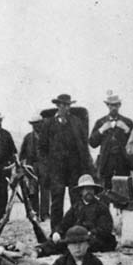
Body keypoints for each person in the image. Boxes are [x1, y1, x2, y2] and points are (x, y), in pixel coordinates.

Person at [39, 93, 95, 226]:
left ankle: (76, 230)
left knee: (76, 200)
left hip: (74, 169)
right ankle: (56, 232)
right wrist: (46, 169)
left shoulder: (77, 122)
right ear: (57, 105)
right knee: (57, 201)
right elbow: (42, 149)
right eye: (62, 105)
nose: (65, 107)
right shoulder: (48, 124)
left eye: (67, 105)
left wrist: (86, 167)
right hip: (56, 170)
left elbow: (83, 146)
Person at [50, 174, 117, 252]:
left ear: (94, 191)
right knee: (57, 241)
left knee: (78, 244)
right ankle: (40, 250)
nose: (89, 192)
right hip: (78, 238)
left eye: (91, 189)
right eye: (86, 189)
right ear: (81, 191)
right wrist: (57, 232)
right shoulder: (76, 207)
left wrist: (88, 233)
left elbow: (105, 228)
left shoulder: (101, 207)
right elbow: (65, 223)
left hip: (95, 239)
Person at [89, 93, 133, 190]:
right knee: (104, 194)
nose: (113, 107)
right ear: (107, 106)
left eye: (116, 105)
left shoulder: (128, 122)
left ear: (119, 105)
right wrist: (101, 130)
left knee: (123, 194)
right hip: (106, 164)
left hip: (122, 163)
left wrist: (127, 130)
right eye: (111, 105)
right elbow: (92, 143)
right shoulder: (100, 122)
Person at [19, 113, 47, 219]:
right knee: (32, 190)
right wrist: (22, 166)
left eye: (38, 124)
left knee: (45, 190)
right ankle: (34, 212)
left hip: (45, 166)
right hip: (31, 167)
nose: (36, 126)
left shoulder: (47, 137)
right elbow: (22, 154)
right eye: (34, 124)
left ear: (42, 124)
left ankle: (44, 214)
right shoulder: (28, 138)